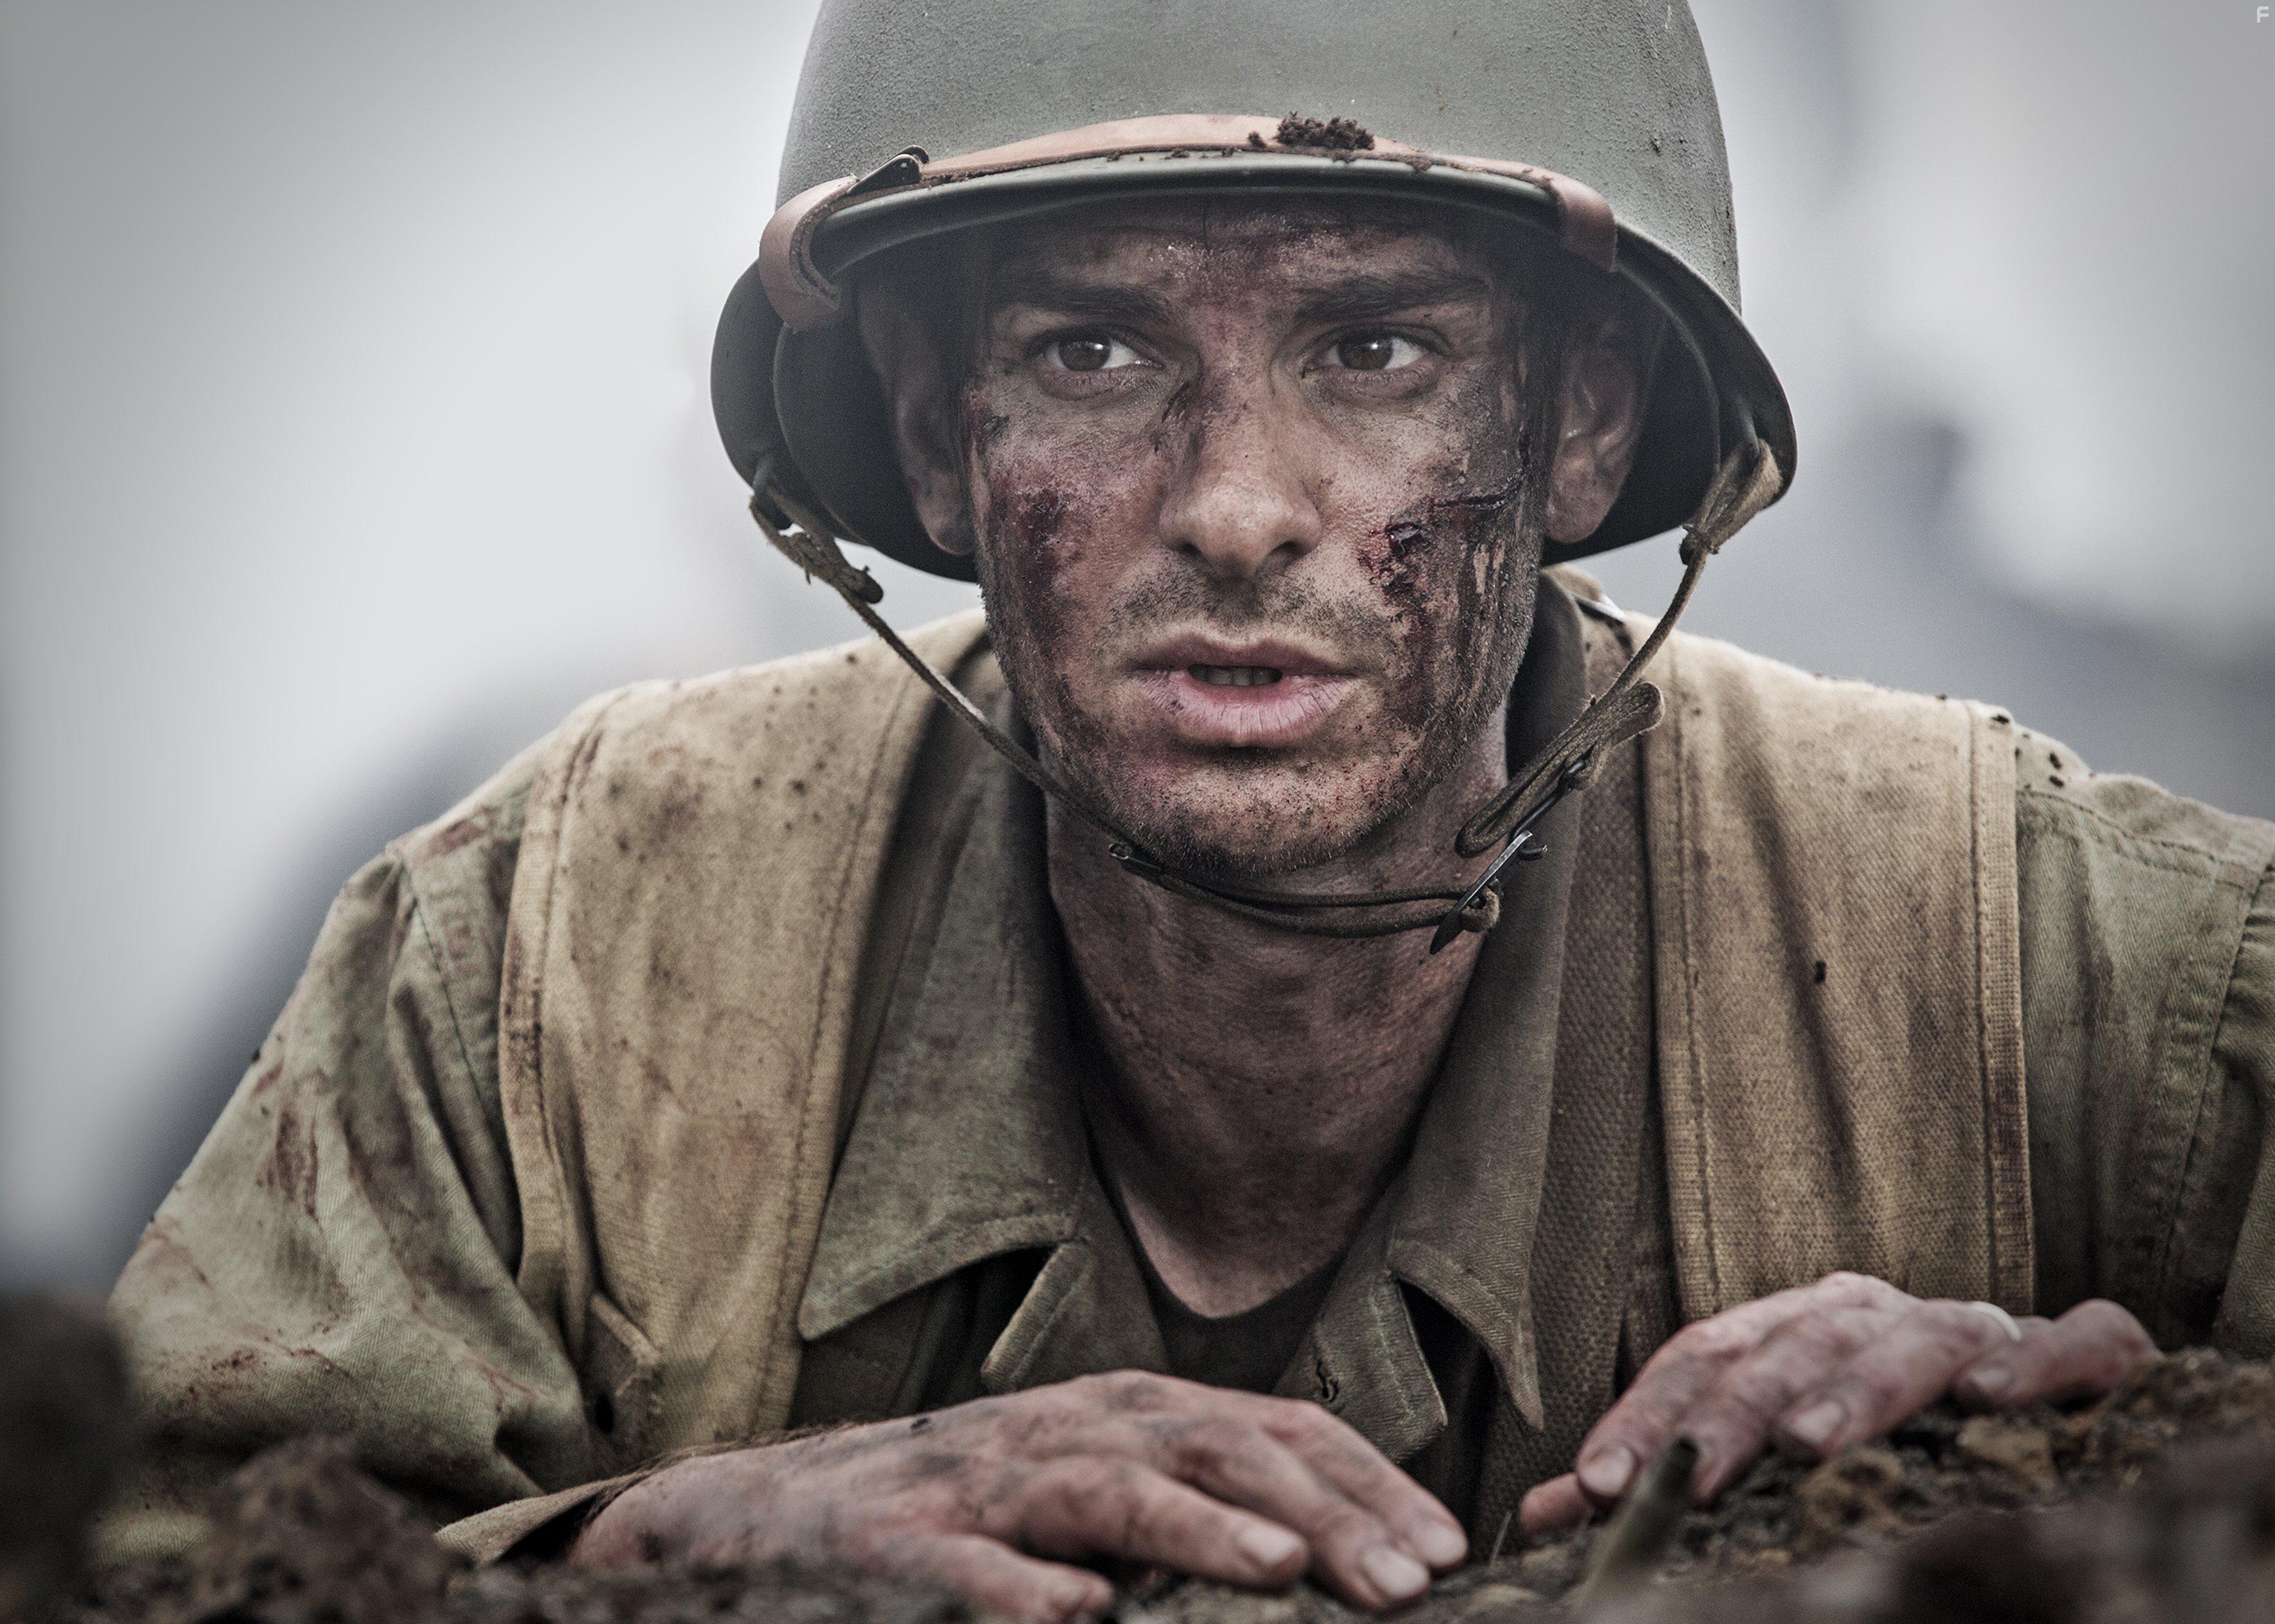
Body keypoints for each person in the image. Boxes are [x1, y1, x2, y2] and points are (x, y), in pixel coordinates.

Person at [103, 4, 2273, 1621]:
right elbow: (127, 1555)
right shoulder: (546, 970)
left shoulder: (2032, 961)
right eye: (1095, 355)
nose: (1238, 512)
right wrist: (648, 1550)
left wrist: (2127, 1426)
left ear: (1587, 420)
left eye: (1378, 350)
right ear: (933, 441)